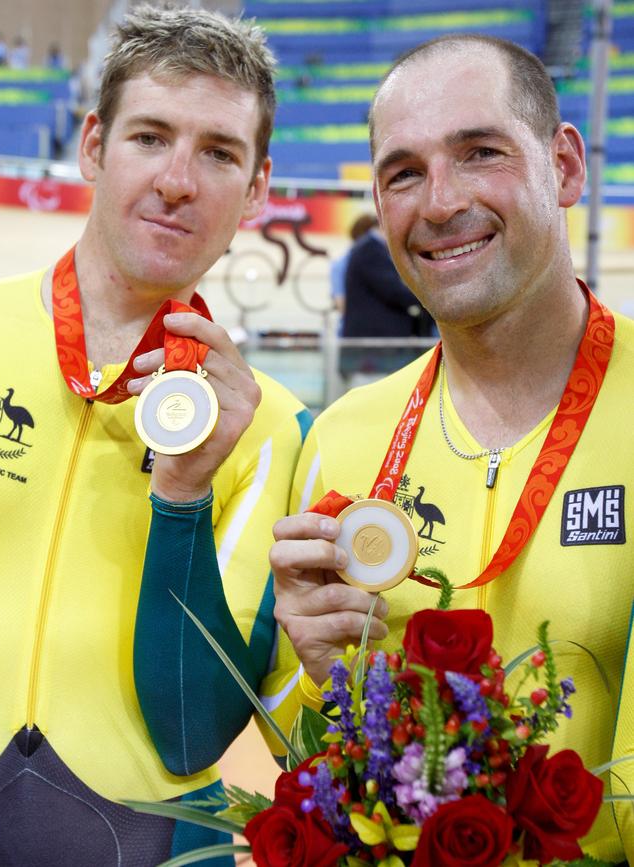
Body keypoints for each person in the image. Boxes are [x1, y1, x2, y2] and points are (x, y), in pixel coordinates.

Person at [263, 34, 634, 863]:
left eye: (479, 153)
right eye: (403, 172)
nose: (438, 201)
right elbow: (305, 765)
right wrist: (319, 678)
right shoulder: (342, 437)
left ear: (565, 166)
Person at [0, 6, 310, 866]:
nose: (176, 180)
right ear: (94, 144)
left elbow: (191, 731)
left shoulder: (272, 425)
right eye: (150, 137)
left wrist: (184, 494)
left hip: (142, 838)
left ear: (259, 188)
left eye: (219, 152)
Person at [339, 216, 435, 382]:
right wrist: (430, 300)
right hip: (372, 352)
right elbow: (393, 291)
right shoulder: (370, 250)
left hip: (376, 352)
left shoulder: (369, 249)